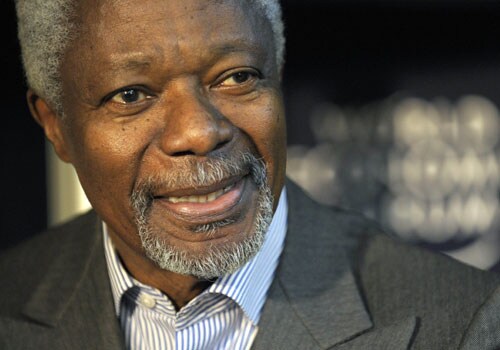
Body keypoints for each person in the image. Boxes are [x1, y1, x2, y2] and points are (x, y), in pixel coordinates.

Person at [1, 0, 499, 349]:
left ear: (278, 75)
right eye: (132, 94)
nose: (198, 131)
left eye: (237, 76)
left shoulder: (461, 323)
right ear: (56, 126)